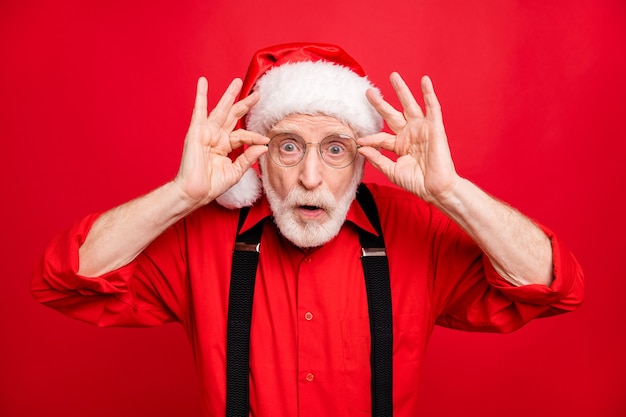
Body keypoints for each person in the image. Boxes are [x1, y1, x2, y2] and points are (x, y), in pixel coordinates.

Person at [31, 43, 584, 417]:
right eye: (288, 146)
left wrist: (451, 193)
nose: (311, 177)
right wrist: (180, 195)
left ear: (365, 156)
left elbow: (554, 285)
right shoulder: (200, 234)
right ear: (256, 155)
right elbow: (65, 280)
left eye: (336, 149)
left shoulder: (414, 229)